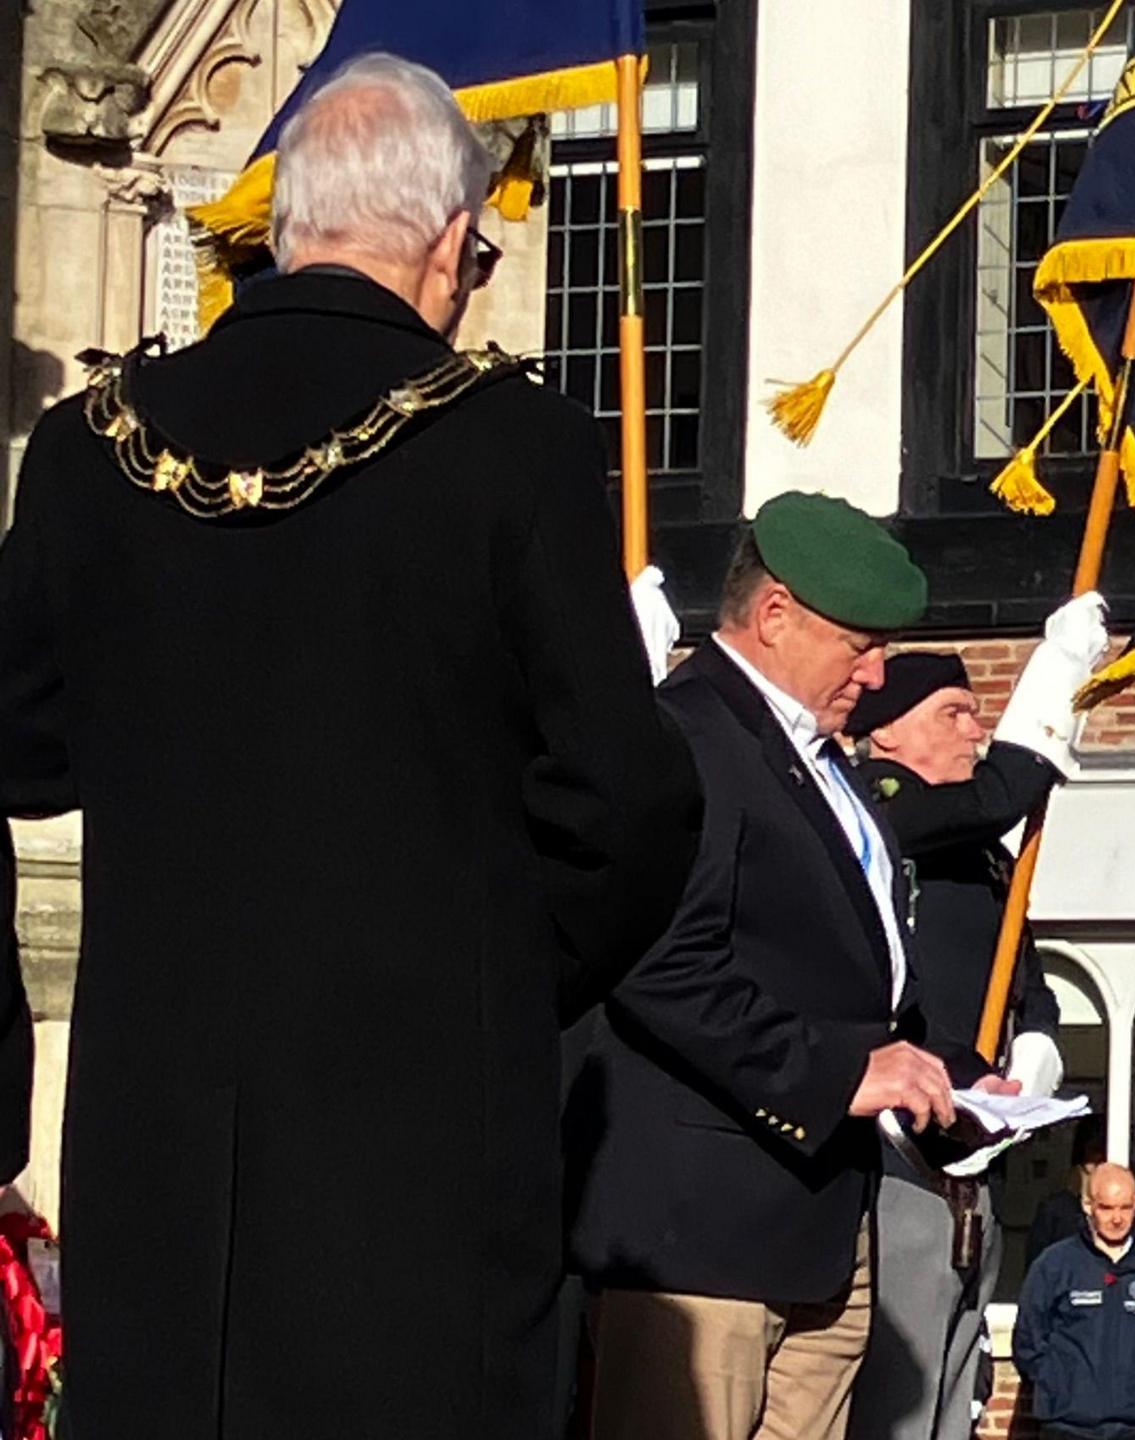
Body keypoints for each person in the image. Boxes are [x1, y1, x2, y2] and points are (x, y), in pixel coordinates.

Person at [0, 53, 703, 1437]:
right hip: (417, 1161)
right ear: (448, 244)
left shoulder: (91, 449)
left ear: (286, 223)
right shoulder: (523, 448)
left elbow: (20, 750)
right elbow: (632, 803)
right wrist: (496, 968)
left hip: (162, 1154)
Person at [564, 494, 1007, 1440]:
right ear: (774, 616)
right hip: (702, 1240)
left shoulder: (823, 762)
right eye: (861, 645)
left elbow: (844, 970)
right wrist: (841, 1073)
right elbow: (659, 962)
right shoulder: (683, 739)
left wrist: (948, 1075)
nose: (877, 671)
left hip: (822, 1228)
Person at [844, 612, 1111, 1440]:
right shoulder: (874, 805)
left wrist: (1032, 1052)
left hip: (974, 1154)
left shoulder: (984, 855)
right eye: (952, 714)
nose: (974, 730)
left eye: (977, 711)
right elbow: (1001, 790)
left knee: (954, 1393)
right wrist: (1055, 678)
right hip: (891, 1152)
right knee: (897, 1398)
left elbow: (1025, 978)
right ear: (885, 732)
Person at [1015, 1162, 1135, 1440]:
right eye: (1106, 1207)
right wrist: (1058, 1385)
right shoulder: (1056, 1264)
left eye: (1125, 1207)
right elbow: (1028, 1340)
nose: (1117, 1218)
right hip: (1068, 1426)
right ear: (1087, 1205)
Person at [1029, 1115, 1135, 1264]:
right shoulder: (1055, 1212)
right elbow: (1038, 1276)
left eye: (1108, 1151)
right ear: (1081, 1154)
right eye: (1095, 1150)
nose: (1102, 1159)